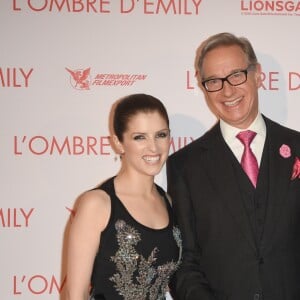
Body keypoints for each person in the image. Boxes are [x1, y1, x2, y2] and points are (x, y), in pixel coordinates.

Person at [167, 32, 300, 300]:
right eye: (214, 81)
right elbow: (183, 262)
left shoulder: (297, 147)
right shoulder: (185, 166)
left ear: (258, 74)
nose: (227, 91)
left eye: (236, 75)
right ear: (203, 87)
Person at [66, 93, 182, 300]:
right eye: (140, 137)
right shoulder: (97, 204)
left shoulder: (168, 201)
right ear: (118, 143)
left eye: (161, 135)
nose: (153, 147)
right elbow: (76, 294)